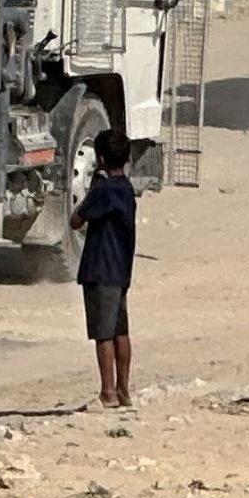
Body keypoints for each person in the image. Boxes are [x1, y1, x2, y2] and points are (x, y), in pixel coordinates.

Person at [73, 129, 140, 409]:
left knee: (103, 334)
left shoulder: (104, 190)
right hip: (121, 269)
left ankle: (108, 392)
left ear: (100, 159)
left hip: (101, 269)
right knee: (120, 332)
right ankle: (124, 391)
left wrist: (90, 189)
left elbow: (77, 220)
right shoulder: (125, 188)